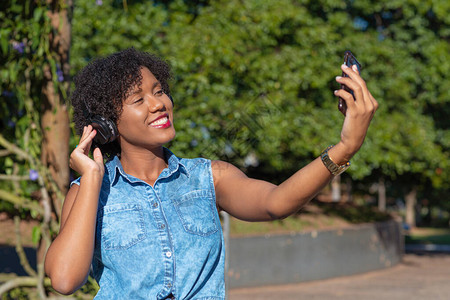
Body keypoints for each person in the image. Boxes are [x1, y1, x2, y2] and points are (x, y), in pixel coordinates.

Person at [44, 48, 378, 299]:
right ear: (106, 123)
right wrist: (91, 179)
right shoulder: (88, 192)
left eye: (159, 91)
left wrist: (345, 147)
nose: (158, 103)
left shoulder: (209, 177)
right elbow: (63, 280)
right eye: (138, 99)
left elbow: (277, 202)